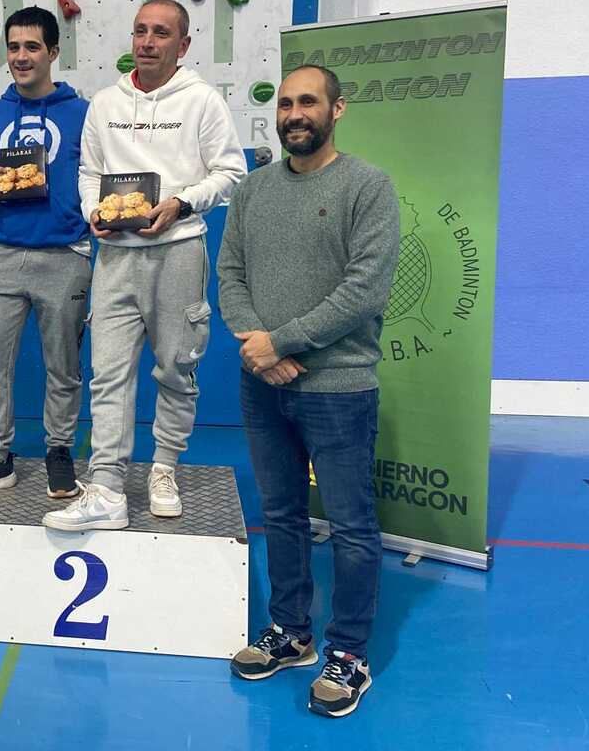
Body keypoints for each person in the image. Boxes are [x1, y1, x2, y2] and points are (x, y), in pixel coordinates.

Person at [218, 64, 399, 718]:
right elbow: (230, 273)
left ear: (336, 109)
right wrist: (259, 346)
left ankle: (349, 653)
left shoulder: (367, 186)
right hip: (262, 385)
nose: (294, 114)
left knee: (351, 527)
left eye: (308, 102)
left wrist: (282, 342)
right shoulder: (253, 189)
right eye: (285, 103)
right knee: (282, 514)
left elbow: (364, 290)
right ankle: (291, 632)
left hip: (339, 389)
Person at [43, 0, 246, 531]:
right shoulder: (106, 103)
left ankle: (164, 468)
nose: (147, 42)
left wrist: (181, 203)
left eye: (160, 33)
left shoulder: (202, 101)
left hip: (178, 251)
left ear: (183, 45)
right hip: (115, 257)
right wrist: (94, 211)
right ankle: (107, 488)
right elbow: (90, 172)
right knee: (108, 373)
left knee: (176, 368)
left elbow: (231, 172)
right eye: (140, 31)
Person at [0, 6, 90, 499]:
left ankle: (59, 451)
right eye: (13, 47)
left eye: (32, 47)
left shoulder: (83, 114)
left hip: (64, 254)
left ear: (53, 52)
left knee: (63, 365)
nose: (21, 57)